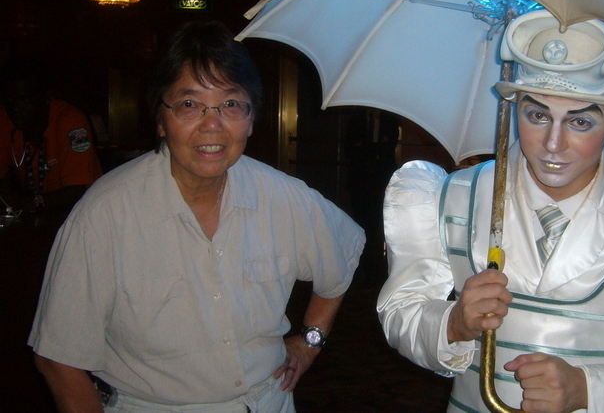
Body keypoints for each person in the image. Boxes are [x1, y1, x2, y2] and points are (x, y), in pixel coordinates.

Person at [377, 10, 604, 412]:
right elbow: (401, 314)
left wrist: (586, 389)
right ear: (513, 106)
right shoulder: (446, 198)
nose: (552, 144)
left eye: (580, 121)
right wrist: (452, 324)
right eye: (537, 115)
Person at [29, 21, 365, 412]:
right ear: (160, 119)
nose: (212, 124)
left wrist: (310, 341)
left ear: (251, 118)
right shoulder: (104, 214)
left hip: (267, 400)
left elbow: (341, 255)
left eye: (230, 104)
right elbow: (58, 359)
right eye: (189, 104)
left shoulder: (282, 195)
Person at [0, 55, 102, 212]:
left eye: (24, 100)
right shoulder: (4, 120)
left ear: (46, 97)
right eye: (9, 100)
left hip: (83, 210)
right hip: (34, 214)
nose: (15, 108)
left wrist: (30, 203)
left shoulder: (70, 121)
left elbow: (77, 190)